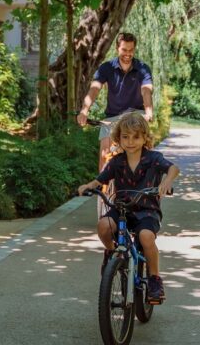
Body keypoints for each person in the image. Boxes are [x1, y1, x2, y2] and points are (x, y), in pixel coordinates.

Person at [78, 112, 179, 303]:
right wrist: (88, 187)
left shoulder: (154, 158)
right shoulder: (116, 161)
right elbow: (100, 180)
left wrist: (166, 181)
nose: (130, 141)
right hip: (122, 208)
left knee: (146, 236)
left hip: (147, 209)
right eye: (125, 137)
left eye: (136, 136)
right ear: (118, 138)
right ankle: (110, 252)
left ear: (144, 138)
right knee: (103, 225)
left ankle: (155, 278)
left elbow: (173, 168)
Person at [77, 32, 154, 171]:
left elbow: (146, 90)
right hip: (112, 117)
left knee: (144, 150)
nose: (128, 54)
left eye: (131, 50)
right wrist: (84, 110)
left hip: (136, 115)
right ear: (117, 48)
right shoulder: (107, 68)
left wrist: (149, 111)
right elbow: (94, 89)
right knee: (105, 155)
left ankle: (146, 185)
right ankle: (104, 188)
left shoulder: (142, 68)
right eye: (124, 49)